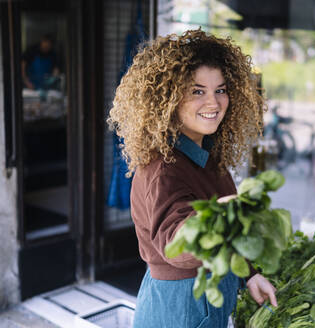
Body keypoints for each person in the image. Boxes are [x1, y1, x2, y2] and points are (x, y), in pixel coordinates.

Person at [107, 29, 278, 328]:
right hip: (182, 308)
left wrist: (250, 275)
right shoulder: (165, 168)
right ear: (168, 99)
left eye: (221, 90)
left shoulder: (204, 152)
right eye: (197, 91)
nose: (213, 103)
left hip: (205, 300)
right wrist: (219, 216)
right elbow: (176, 244)